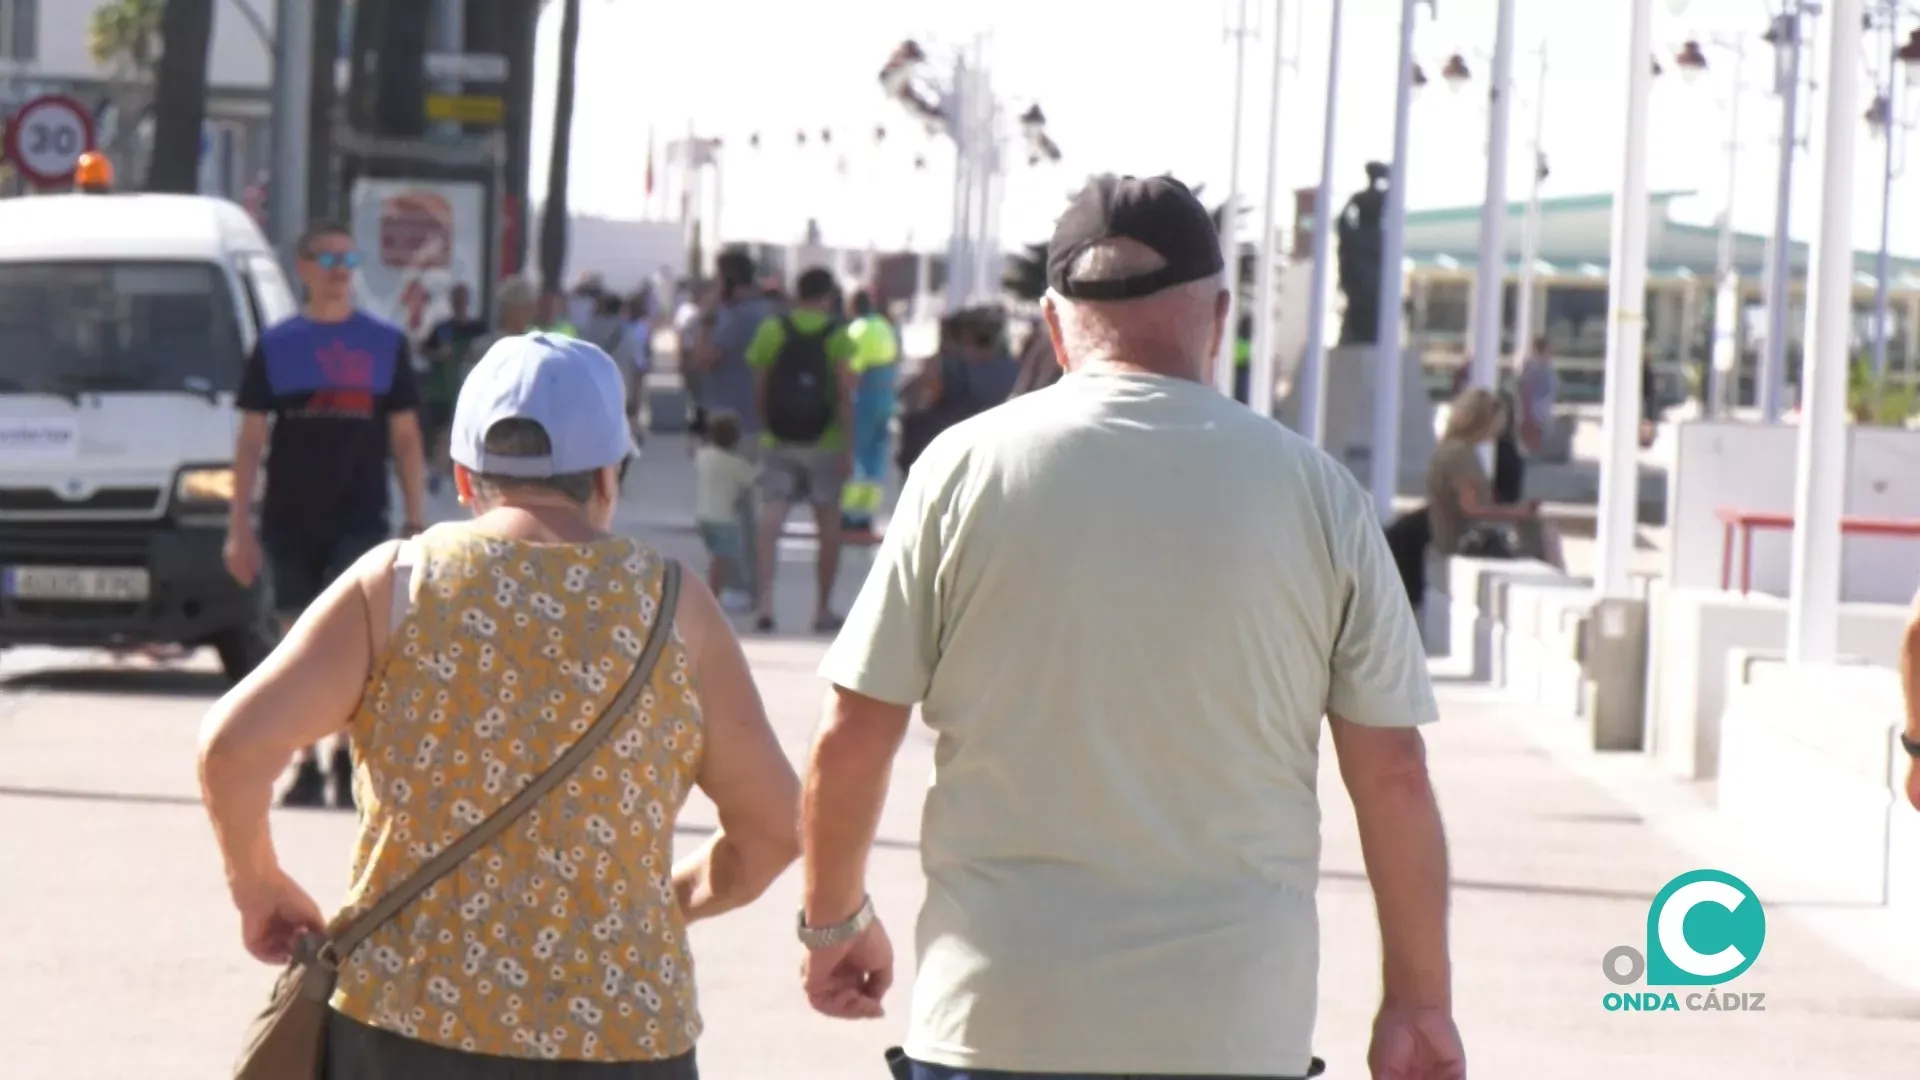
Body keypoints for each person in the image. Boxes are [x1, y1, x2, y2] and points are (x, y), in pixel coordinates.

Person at [798, 174, 1462, 1080]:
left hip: (996, 1019)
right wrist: (1419, 1001)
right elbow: (1392, 772)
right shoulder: (1317, 494)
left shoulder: (961, 470)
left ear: (1053, 322)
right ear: (1219, 314)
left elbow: (855, 733)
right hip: (1232, 1030)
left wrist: (833, 921)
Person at [198, 332, 801, 1076]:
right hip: (625, 1035)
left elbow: (232, 747)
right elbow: (773, 828)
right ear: (610, 476)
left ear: (462, 475)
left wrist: (258, 885)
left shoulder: (396, 586)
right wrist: (667, 902)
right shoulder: (678, 606)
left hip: (404, 1026)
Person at [224, 220, 428, 811]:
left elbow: (408, 439)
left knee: (347, 645)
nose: (341, 269)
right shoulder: (277, 346)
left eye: (349, 257)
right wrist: (238, 525)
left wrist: (415, 520)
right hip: (289, 519)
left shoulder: (385, 345)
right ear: (304, 269)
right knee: (295, 644)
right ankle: (309, 764)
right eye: (328, 259)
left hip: (361, 517)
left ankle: (344, 758)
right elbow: (250, 442)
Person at [746, 267, 856, 634]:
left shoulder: (772, 329)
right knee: (827, 526)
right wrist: (848, 446)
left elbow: (759, 385)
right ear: (828, 295)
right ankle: (821, 608)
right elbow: (844, 394)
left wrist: (768, 424)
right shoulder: (839, 335)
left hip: (779, 438)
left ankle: (764, 603)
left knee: (771, 519)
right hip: (824, 441)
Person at [1427, 387, 1553, 565]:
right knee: (1541, 533)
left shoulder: (1448, 450)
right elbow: (1472, 509)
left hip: (1450, 538)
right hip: (1464, 543)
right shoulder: (1461, 455)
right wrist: (1517, 512)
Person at [839, 290, 901, 533]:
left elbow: (851, 370)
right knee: (876, 457)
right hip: (885, 398)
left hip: (864, 398)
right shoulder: (886, 327)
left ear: (853, 307)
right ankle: (866, 513)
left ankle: (851, 514)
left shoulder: (857, 330)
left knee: (857, 455)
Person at [421, 283, 487, 494]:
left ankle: (464, 477)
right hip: (444, 391)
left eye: (463, 299)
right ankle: (440, 475)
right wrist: (439, 355)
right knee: (445, 431)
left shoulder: (478, 329)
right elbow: (423, 349)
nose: (460, 304)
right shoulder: (442, 329)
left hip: (472, 390)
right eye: (456, 300)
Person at [695, 411, 759, 612]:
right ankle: (712, 596)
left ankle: (716, 593)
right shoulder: (735, 463)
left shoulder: (704, 456)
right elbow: (752, 478)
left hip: (703, 517)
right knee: (721, 561)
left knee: (716, 557)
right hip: (725, 520)